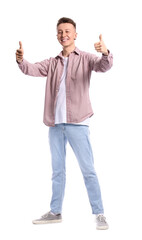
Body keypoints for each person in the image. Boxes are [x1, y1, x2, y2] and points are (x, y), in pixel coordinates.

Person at [16, 17, 113, 230]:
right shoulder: (53, 62)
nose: (63, 35)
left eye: (67, 31)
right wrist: (21, 60)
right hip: (55, 125)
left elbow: (104, 66)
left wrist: (105, 52)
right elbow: (30, 69)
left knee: (88, 170)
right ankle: (55, 212)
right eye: (60, 32)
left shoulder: (86, 58)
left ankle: (99, 213)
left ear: (75, 34)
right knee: (57, 171)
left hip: (78, 123)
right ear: (57, 35)